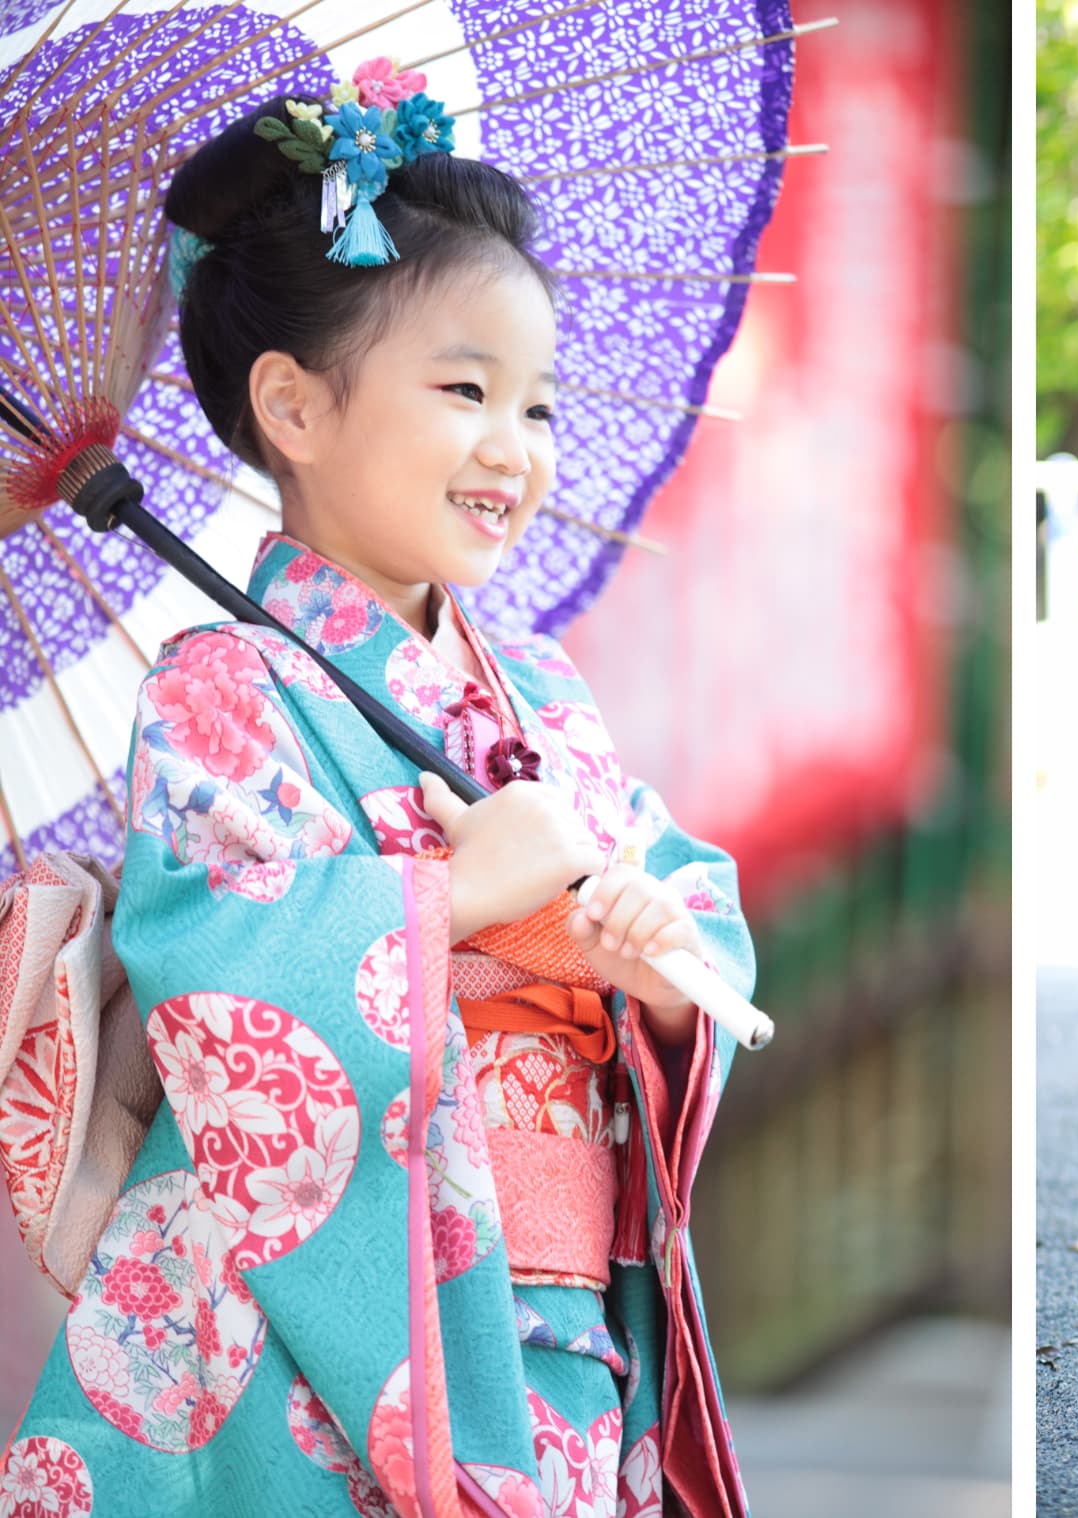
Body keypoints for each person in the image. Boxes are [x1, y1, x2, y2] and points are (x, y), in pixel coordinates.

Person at [1, 73, 754, 1518]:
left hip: (565, 1327)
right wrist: (460, 893)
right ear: (291, 402)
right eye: (465, 390)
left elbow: (692, 910)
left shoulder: (541, 691)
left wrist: (656, 961)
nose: (515, 448)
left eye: (538, 403)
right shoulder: (221, 690)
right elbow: (218, 972)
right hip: (333, 1344)